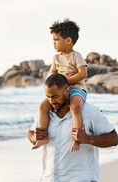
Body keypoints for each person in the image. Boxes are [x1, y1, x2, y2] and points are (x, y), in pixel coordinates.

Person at [32, 19, 87, 152]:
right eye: (53, 40)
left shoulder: (76, 56)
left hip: (76, 90)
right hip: (60, 91)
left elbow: (82, 74)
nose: (54, 43)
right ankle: (42, 136)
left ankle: (76, 139)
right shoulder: (55, 58)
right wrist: (57, 83)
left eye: (56, 40)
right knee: (43, 105)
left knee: (75, 107)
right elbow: (52, 75)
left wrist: (65, 81)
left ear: (68, 40)